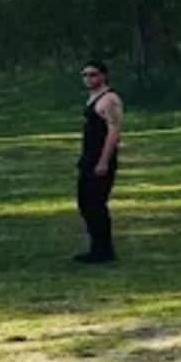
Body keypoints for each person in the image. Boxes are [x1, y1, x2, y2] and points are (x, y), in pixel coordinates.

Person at [74, 60, 123, 264]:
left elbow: (114, 132)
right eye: (85, 75)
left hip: (100, 160)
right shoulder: (92, 99)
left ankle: (104, 251)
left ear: (103, 76)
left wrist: (103, 161)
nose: (88, 78)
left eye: (93, 74)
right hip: (88, 159)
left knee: (96, 205)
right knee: (86, 204)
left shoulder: (109, 99)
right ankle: (96, 248)